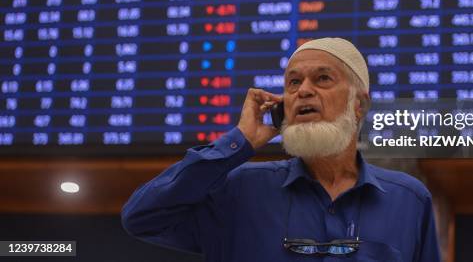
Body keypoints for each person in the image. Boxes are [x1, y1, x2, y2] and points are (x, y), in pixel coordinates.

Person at [121, 37, 440, 262]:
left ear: (359, 105)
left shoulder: (409, 199)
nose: (303, 91)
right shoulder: (239, 189)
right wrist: (238, 141)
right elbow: (141, 217)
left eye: (323, 78)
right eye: (293, 82)